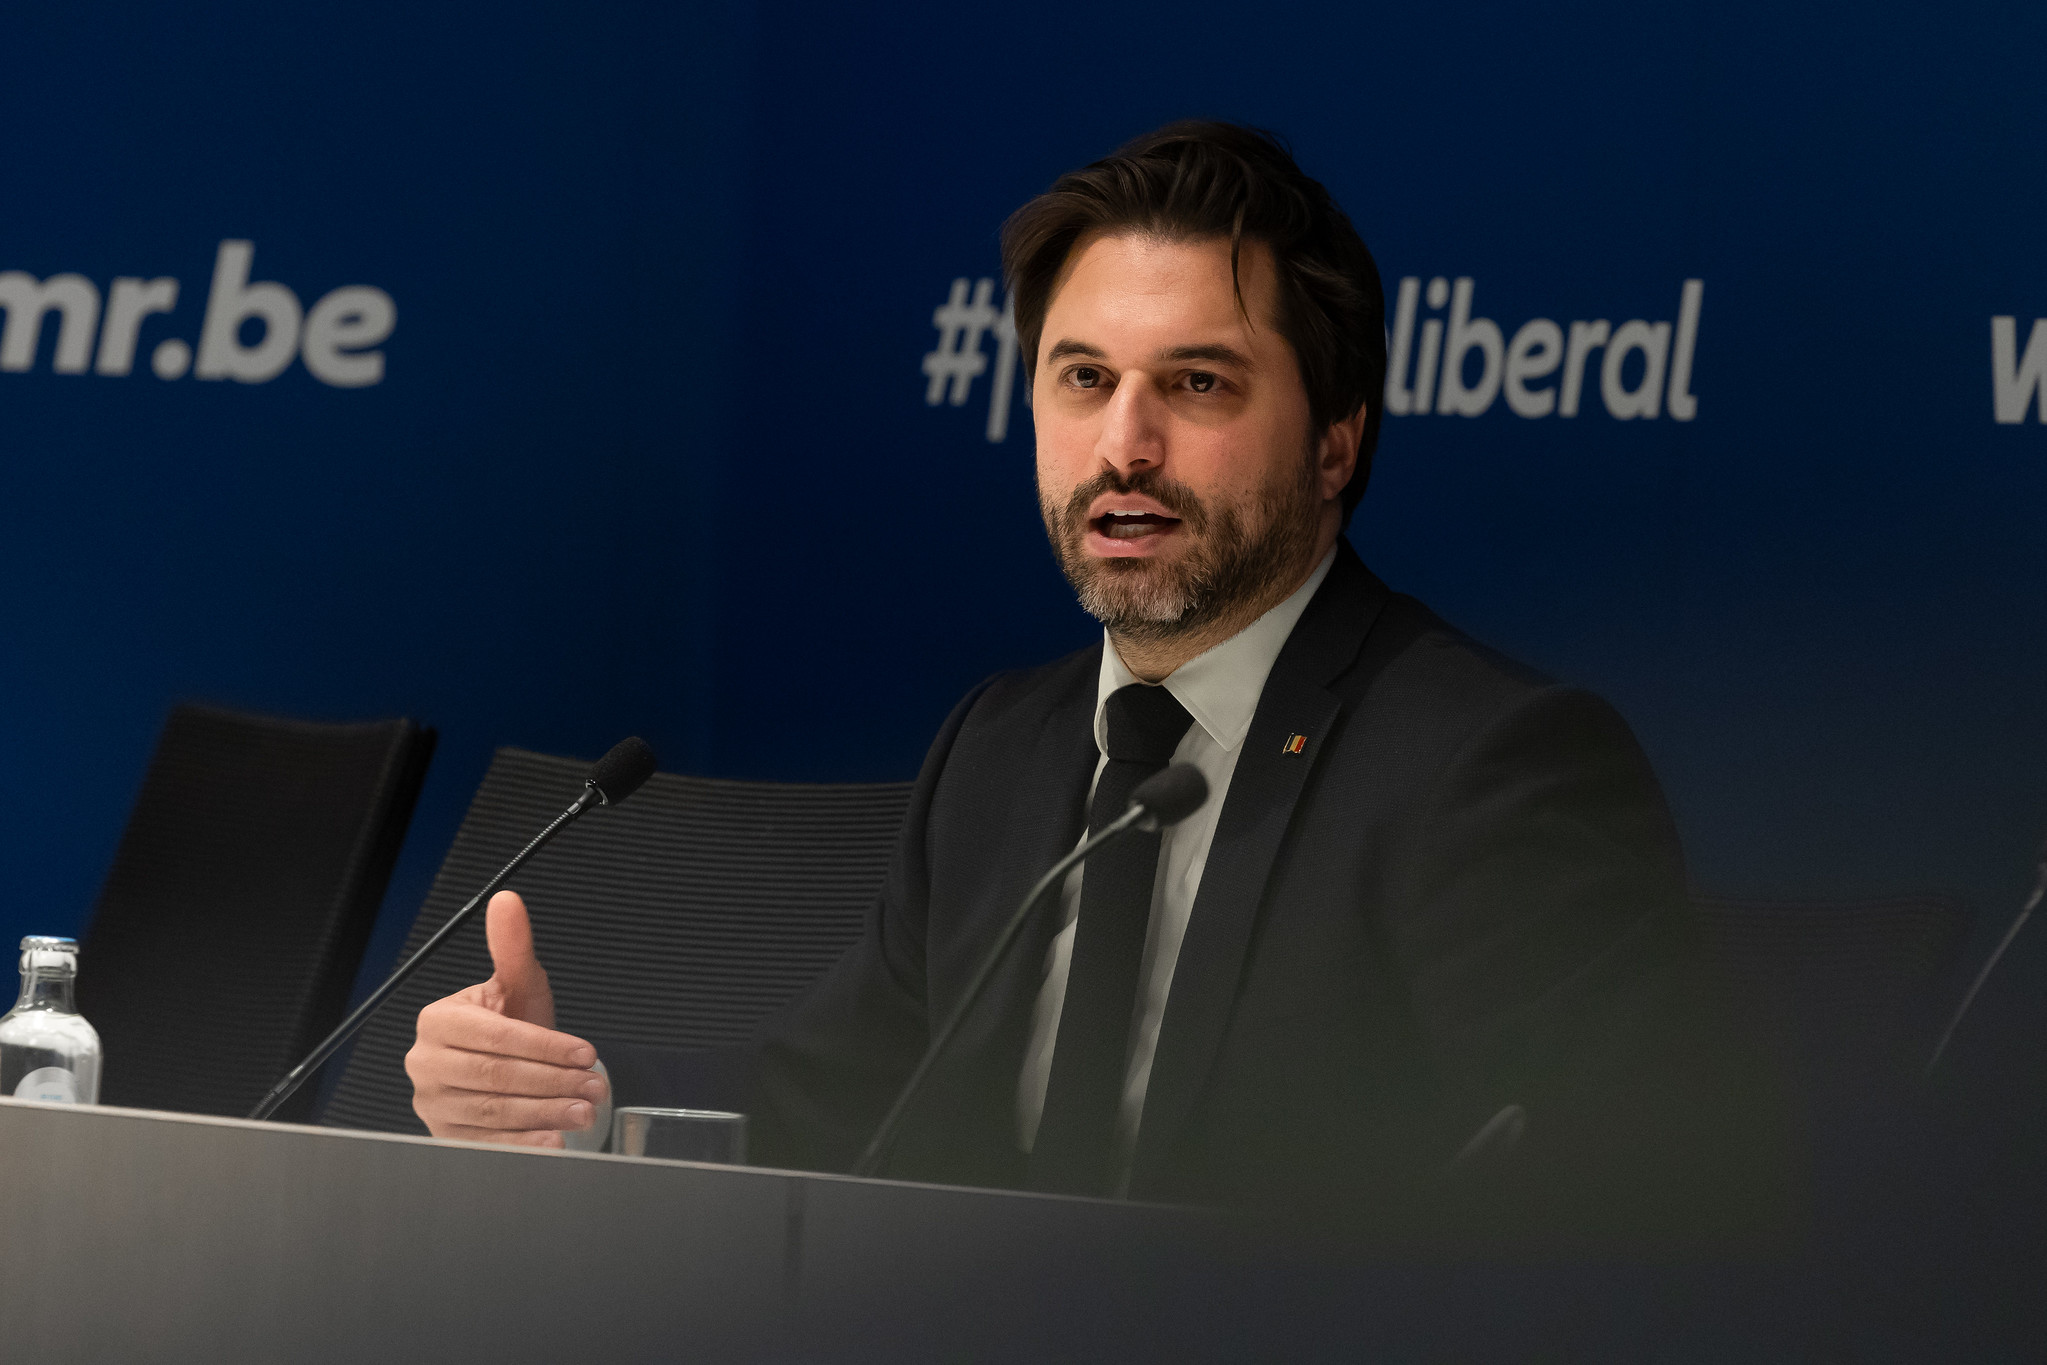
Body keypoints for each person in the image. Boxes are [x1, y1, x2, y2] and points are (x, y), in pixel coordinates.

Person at [407, 122, 1728, 1237]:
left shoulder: (1486, 765)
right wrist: (563, 1093)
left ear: (1336, 445)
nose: (1125, 444)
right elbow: (831, 1118)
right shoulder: (1006, 748)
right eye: (1082, 378)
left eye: (1198, 384)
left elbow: (1630, 1214)